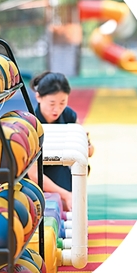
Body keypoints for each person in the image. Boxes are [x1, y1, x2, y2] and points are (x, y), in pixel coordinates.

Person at [27, 71, 94, 211]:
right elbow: (33, 174)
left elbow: (89, 152)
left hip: (62, 169)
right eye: (52, 103)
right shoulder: (30, 123)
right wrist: (66, 195)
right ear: (38, 97)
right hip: (37, 178)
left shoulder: (68, 115)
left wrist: (86, 144)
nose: (57, 109)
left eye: (62, 103)